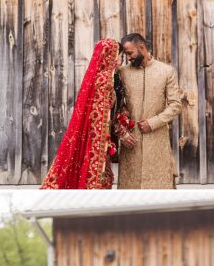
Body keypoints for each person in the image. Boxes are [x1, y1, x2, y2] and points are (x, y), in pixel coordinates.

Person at [41, 38, 121, 189]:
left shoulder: (97, 76)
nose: (120, 59)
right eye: (118, 55)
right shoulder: (105, 80)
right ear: (110, 56)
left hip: (91, 132)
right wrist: (104, 140)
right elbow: (102, 112)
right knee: (96, 173)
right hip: (98, 134)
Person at [117, 32, 183, 189]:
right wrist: (122, 133)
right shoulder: (123, 73)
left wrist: (153, 122)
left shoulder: (166, 71)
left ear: (141, 47)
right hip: (131, 143)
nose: (128, 58)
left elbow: (175, 104)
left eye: (130, 53)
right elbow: (116, 107)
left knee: (159, 194)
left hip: (157, 142)